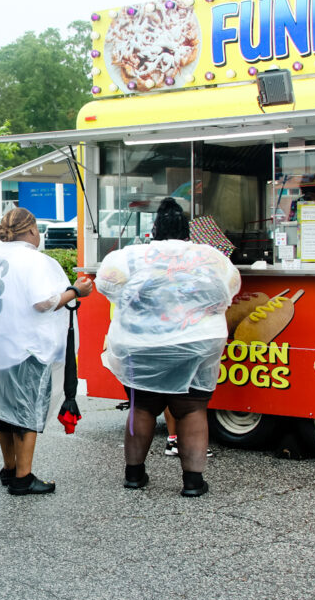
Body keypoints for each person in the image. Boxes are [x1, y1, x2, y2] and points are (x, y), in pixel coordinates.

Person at [96, 197, 240, 497]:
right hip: (196, 344)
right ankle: (192, 482)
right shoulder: (209, 256)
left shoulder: (131, 256)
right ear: (188, 231)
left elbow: (105, 285)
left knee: (142, 407)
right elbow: (228, 288)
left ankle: (134, 475)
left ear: (154, 229)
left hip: (139, 345)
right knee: (191, 409)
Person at [0, 208, 93, 495]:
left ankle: (9, 468)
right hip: (25, 347)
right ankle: (23, 478)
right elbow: (43, 302)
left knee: (5, 409)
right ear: (33, 230)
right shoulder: (34, 261)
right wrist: (76, 291)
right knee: (27, 408)